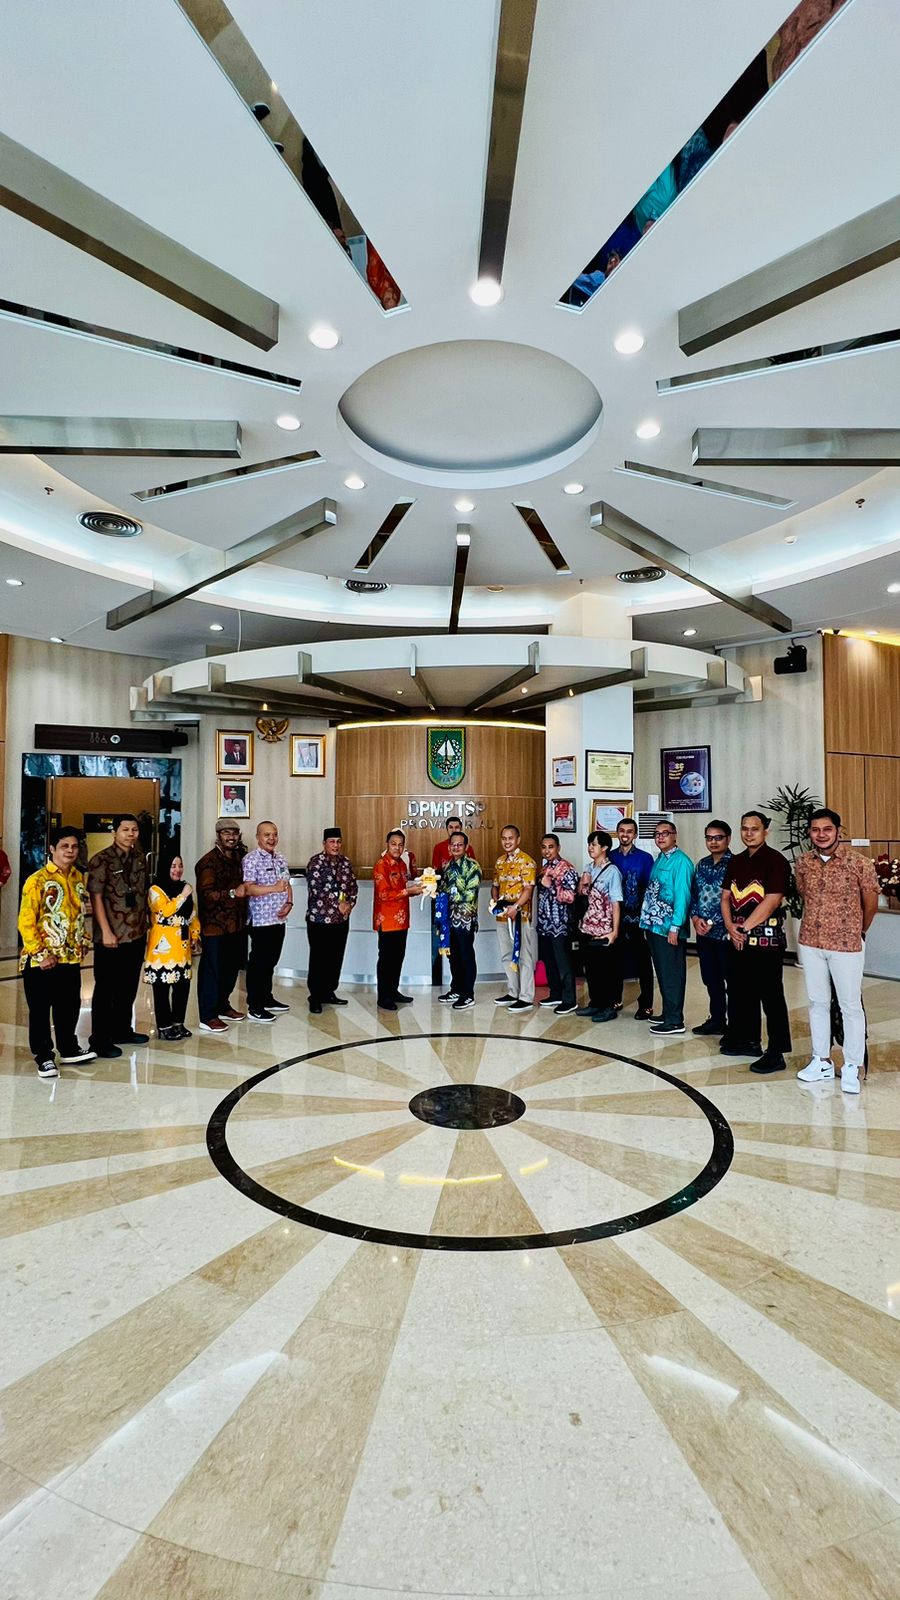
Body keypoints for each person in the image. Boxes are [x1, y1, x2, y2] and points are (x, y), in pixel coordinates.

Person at [794, 808, 879, 1094]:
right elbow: (804, 894)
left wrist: (857, 931)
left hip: (847, 944)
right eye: (815, 829)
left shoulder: (859, 863)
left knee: (850, 1005)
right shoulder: (803, 862)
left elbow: (871, 905)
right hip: (811, 941)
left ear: (838, 831)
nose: (821, 834)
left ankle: (853, 1064)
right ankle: (821, 1060)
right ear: (810, 833)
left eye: (827, 829)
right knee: (817, 1002)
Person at [18, 826, 94, 1077]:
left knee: (69, 1006)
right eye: (64, 846)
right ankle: (44, 1056)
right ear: (52, 849)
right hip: (41, 960)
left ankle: (69, 1048)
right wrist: (40, 953)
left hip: (69, 957)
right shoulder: (37, 880)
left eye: (74, 847)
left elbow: (81, 914)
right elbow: (26, 922)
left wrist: (84, 940)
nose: (70, 851)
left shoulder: (78, 878)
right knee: (41, 1009)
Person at [721, 811, 792, 1075]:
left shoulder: (775, 861)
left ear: (765, 831)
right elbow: (725, 897)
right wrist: (731, 927)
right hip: (738, 937)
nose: (749, 833)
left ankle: (776, 1052)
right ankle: (748, 1040)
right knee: (741, 990)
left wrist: (743, 927)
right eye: (745, 828)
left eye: (754, 829)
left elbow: (772, 900)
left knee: (771, 995)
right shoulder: (736, 860)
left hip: (766, 940)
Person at [88, 814, 150, 1057]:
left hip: (136, 933)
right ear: (114, 832)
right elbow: (96, 897)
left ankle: (122, 1030)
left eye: (134, 830)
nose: (130, 834)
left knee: (128, 985)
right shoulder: (101, 860)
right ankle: (99, 1039)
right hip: (111, 935)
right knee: (106, 988)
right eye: (125, 830)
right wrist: (105, 931)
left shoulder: (140, 858)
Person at [639, 821, 693, 1036]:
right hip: (655, 926)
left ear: (675, 835)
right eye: (657, 834)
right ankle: (668, 1012)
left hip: (669, 928)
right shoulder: (661, 858)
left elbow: (683, 896)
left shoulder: (682, 862)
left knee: (672, 973)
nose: (660, 837)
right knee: (662, 971)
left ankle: (675, 1020)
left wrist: (675, 926)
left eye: (665, 833)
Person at [195, 819, 249, 1035]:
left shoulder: (238, 858)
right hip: (214, 926)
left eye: (234, 833)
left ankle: (222, 1006)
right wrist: (233, 893)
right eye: (226, 833)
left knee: (230, 968)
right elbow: (207, 895)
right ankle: (207, 1015)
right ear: (218, 836)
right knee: (212, 971)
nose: (231, 837)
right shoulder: (208, 862)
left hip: (236, 924)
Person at [144, 852, 201, 1041]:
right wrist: (183, 896)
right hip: (163, 948)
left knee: (182, 987)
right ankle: (164, 1026)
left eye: (180, 865)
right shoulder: (156, 890)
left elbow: (192, 915)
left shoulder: (184, 887)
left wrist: (195, 935)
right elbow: (165, 911)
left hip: (182, 946)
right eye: (173, 866)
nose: (178, 870)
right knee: (161, 989)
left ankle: (178, 1023)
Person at [242, 821, 293, 1023]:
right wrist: (274, 888)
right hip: (260, 920)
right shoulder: (251, 859)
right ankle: (255, 1005)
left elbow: (287, 884)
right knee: (259, 963)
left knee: (271, 961)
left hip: (278, 918)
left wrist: (289, 902)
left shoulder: (281, 858)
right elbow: (249, 888)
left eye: (274, 834)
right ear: (258, 837)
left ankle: (266, 997)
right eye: (267, 835)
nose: (271, 838)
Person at [306, 827, 358, 1014]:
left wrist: (349, 905)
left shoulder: (346, 862)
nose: (336, 845)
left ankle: (329, 992)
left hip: (341, 920)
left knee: (336, 958)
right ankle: (315, 997)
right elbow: (317, 890)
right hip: (319, 920)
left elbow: (353, 886)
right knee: (319, 958)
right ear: (324, 844)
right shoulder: (315, 863)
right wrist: (339, 904)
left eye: (338, 842)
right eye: (332, 842)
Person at [690, 820, 734, 1037]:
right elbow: (694, 895)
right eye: (709, 838)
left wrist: (711, 922)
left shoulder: (735, 864)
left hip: (726, 933)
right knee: (710, 978)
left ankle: (735, 1025)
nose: (713, 842)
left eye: (718, 838)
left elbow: (735, 901)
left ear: (728, 839)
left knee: (731, 980)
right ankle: (716, 1019)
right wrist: (695, 918)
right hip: (703, 933)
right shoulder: (702, 864)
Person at [575, 831, 623, 1022]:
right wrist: (583, 882)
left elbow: (616, 903)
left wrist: (615, 931)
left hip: (604, 929)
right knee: (591, 969)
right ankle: (595, 1003)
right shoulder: (588, 868)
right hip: (587, 927)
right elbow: (581, 894)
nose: (590, 848)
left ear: (604, 848)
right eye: (589, 844)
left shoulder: (612, 872)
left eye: (594, 844)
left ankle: (608, 1007)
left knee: (605, 970)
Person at [373, 830, 423, 1010]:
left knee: (397, 958)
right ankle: (383, 996)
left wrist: (416, 891)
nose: (397, 848)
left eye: (400, 845)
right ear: (387, 844)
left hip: (402, 920)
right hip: (387, 921)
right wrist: (408, 891)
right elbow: (384, 894)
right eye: (393, 844)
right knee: (386, 959)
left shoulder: (402, 864)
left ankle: (393, 991)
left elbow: (402, 891)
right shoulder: (381, 865)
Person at [610, 818, 654, 1018]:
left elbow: (651, 889)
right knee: (615, 960)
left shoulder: (645, 858)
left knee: (643, 962)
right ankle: (615, 999)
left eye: (629, 831)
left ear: (635, 835)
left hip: (638, 918)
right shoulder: (610, 856)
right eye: (622, 830)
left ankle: (646, 1004)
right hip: (615, 918)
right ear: (617, 833)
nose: (625, 834)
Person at [490, 825, 537, 1011]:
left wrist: (516, 907)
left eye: (510, 838)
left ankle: (526, 997)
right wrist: (495, 901)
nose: (507, 842)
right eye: (504, 838)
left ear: (518, 840)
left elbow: (528, 889)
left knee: (524, 956)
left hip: (520, 916)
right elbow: (495, 885)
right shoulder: (500, 862)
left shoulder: (527, 861)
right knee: (506, 955)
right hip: (503, 916)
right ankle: (513, 991)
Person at [439, 831, 482, 1009]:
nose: (456, 847)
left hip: (465, 920)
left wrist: (448, 896)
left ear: (466, 847)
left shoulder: (472, 866)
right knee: (453, 956)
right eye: (453, 844)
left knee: (466, 955)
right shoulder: (448, 866)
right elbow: (443, 888)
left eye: (460, 844)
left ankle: (468, 994)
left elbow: (470, 894)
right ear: (449, 847)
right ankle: (456, 989)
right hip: (450, 919)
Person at [537, 833, 578, 1015]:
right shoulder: (544, 868)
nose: (547, 851)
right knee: (549, 961)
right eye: (544, 847)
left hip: (560, 924)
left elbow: (571, 896)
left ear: (558, 848)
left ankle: (569, 1000)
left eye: (551, 847)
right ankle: (555, 994)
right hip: (544, 924)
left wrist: (552, 886)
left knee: (563, 963)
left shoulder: (566, 868)